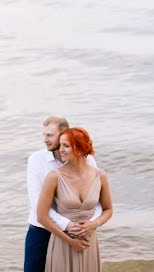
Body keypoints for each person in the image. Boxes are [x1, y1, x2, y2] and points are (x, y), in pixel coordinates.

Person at [25, 117, 103, 272]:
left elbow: (97, 199)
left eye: (49, 135)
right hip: (42, 231)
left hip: (78, 231)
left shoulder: (88, 160)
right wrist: (67, 225)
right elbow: (37, 204)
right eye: (44, 135)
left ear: (63, 134)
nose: (45, 140)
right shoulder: (36, 160)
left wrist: (92, 223)